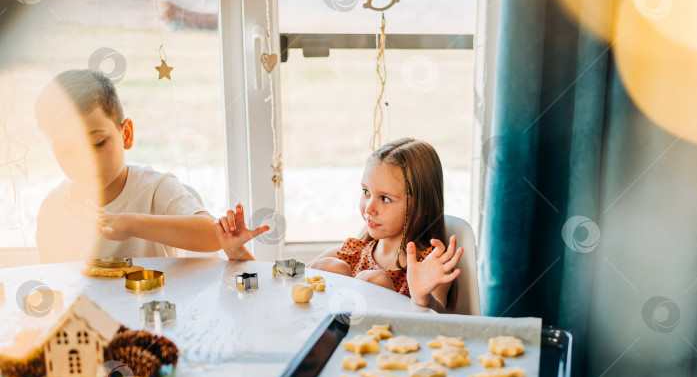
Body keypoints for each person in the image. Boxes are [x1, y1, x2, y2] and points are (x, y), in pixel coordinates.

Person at [34, 69, 266, 263]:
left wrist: (132, 224)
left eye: (97, 143)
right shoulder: (54, 208)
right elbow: (54, 286)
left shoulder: (155, 189)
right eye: (65, 149)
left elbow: (213, 234)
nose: (84, 160)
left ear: (126, 134)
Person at [309, 138, 462, 312]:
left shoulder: (429, 265)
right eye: (366, 192)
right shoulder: (353, 254)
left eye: (385, 198)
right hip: (340, 336)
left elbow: (438, 316)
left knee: (375, 281)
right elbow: (291, 279)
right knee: (331, 267)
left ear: (423, 205)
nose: (369, 208)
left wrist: (423, 299)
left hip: (396, 337)